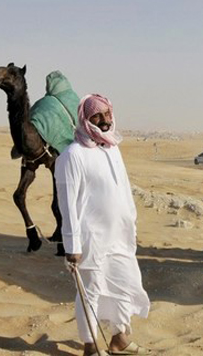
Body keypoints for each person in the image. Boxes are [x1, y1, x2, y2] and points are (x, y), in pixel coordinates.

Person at [56, 94, 150, 356]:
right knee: (91, 292)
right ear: (86, 119)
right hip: (91, 238)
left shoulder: (112, 147)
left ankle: (120, 338)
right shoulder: (73, 155)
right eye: (97, 116)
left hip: (119, 235)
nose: (105, 120)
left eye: (107, 114)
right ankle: (91, 346)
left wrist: (130, 221)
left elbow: (124, 190)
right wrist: (72, 245)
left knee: (122, 283)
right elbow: (68, 204)